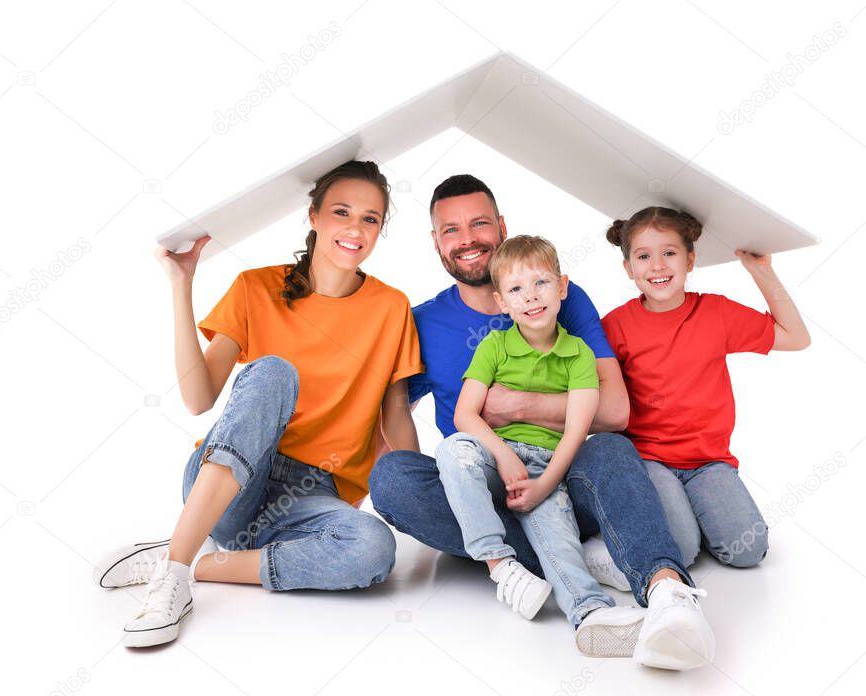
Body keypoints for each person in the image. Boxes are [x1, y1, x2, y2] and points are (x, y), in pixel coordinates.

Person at [370, 175, 715, 670]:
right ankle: (575, 559)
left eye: (480, 223)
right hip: (483, 485)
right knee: (393, 477)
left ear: (502, 227)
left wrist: (517, 405)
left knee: (612, 450)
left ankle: (666, 593)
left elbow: (615, 412)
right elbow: (395, 407)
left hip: (561, 469)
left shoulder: (562, 300)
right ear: (436, 242)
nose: (467, 238)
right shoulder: (423, 322)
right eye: (451, 229)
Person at [94, 160, 423, 648]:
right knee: (273, 371)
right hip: (230, 480)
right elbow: (197, 397)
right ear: (313, 216)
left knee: (374, 548)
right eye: (341, 212)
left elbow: (395, 417)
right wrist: (181, 284)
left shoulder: (392, 307)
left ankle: (187, 559)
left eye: (370, 218)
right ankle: (175, 578)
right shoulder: (255, 287)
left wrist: (411, 494)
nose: (355, 229)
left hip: (313, 501)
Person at [602, 206, 811, 569]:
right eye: (644, 256)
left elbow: (796, 337)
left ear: (690, 259)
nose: (657, 266)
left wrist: (761, 272)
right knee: (679, 552)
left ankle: (693, 510)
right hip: (650, 460)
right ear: (628, 268)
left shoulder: (716, 313)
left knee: (748, 551)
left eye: (669, 253)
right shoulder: (616, 325)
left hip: (708, 462)